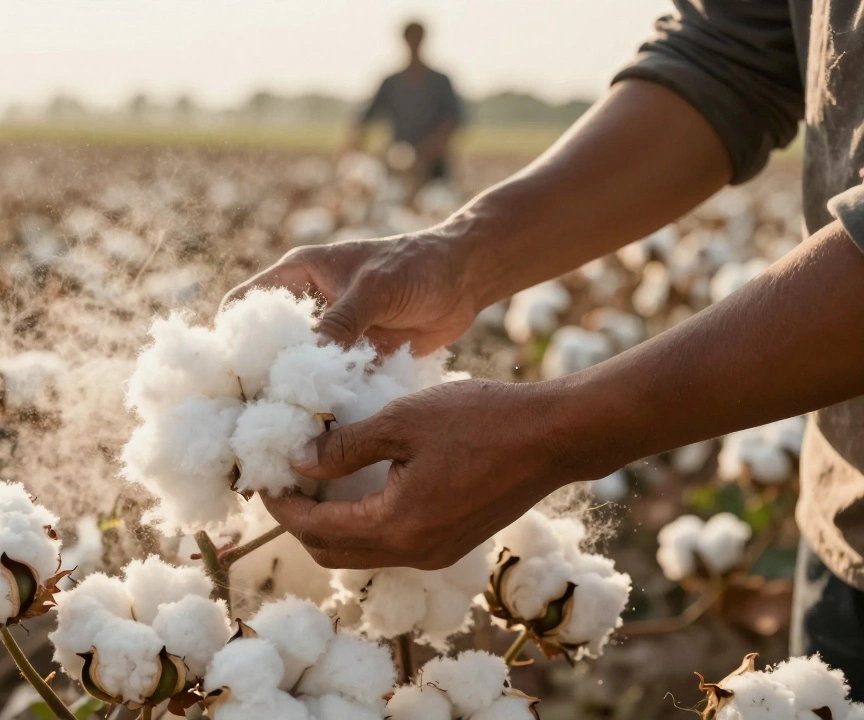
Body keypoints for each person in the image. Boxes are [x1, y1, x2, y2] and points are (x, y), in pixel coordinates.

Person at [228, 0, 864, 693]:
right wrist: (455, 255)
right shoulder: (397, 82)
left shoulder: (437, 84)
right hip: (842, 524)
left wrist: (555, 432)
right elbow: (730, 56)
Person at [348, 21, 463, 182]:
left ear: (424, 40)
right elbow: (365, 119)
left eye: (418, 38)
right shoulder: (391, 83)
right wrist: (354, 153)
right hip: (397, 162)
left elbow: (451, 122)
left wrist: (423, 154)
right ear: (405, 40)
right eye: (411, 38)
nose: (414, 43)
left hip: (434, 167)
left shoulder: (440, 82)